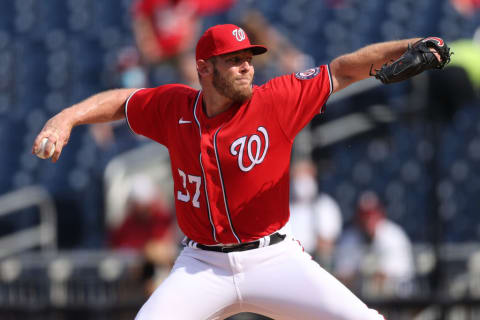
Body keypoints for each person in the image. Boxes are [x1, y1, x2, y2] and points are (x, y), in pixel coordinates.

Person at [32, 24, 448, 319]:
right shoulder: (175, 107)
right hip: (201, 265)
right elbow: (124, 101)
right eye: (234, 60)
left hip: (273, 258)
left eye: (248, 57)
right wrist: (66, 118)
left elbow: (342, 69)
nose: (247, 66)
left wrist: (411, 45)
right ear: (204, 68)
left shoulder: (277, 100)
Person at [334, 191, 415, 298]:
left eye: (372, 216)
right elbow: (342, 276)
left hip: (395, 298)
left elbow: (397, 274)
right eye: (365, 217)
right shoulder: (349, 237)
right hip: (358, 297)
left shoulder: (393, 235)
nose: (368, 221)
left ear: (380, 215)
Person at [108, 174, 177, 295]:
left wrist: (148, 252)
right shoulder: (128, 222)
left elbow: (161, 249)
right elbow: (117, 246)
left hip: (157, 272)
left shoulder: (161, 217)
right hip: (131, 275)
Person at [289, 159, 342, 270]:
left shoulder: (325, 205)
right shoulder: (286, 208)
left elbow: (327, 244)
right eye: (297, 176)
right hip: (290, 262)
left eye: (305, 175)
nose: (301, 181)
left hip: (315, 262)